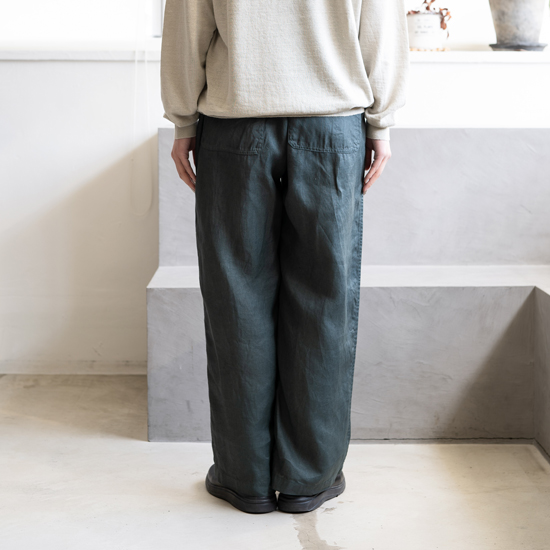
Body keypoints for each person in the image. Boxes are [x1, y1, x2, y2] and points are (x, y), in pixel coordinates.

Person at [160, 0, 409, 514]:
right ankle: (307, 480)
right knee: (325, 302)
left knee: (236, 300)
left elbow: (187, 25)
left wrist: (182, 120)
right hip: (332, 127)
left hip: (234, 128)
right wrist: (380, 123)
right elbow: (380, 26)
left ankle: (244, 478)